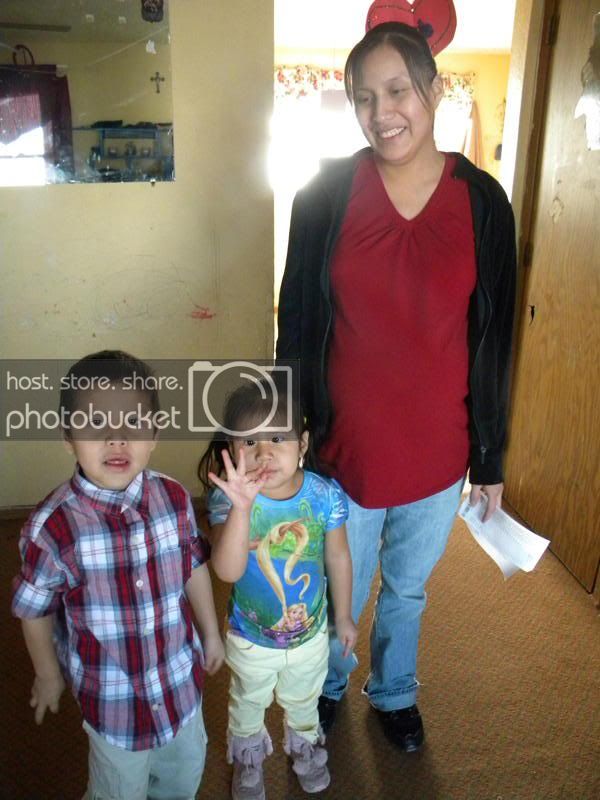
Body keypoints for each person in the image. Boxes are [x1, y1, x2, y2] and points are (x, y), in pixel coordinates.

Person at [276, 14, 517, 753]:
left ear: (434, 92)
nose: (382, 112)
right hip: (343, 448)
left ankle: (395, 692)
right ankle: (326, 685)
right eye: (364, 97)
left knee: (408, 589)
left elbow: (496, 339)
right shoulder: (325, 193)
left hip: (438, 453)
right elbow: (297, 317)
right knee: (335, 584)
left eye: (398, 91)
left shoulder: (483, 203)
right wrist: (285, 426)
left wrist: (491, 456)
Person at [12, 350, 224, 800]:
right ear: (68, 437)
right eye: (95, 423)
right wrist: (47, 673)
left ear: (155, 433)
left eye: (133, 422)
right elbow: (34, 609)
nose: (116, 437)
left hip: (180, 686)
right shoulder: (53, 527)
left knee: (182, 778)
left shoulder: (174, 498)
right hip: (113, 703)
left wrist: (211, 632)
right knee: (118, 790)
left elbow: (193, 568)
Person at [199, 379, 356, 799]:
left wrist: (343, 615)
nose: (264, 452)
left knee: (304, 699)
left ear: (302, 443)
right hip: (251, 638)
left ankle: (304, 746)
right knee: (247, 702)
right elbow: (227, 571)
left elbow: (338, 557)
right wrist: (242, 508)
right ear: (231, 450)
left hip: (310, 634)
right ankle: (249, 758)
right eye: (249, 441)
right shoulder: (228, 500)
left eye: (277, 438)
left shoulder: (324, 496)